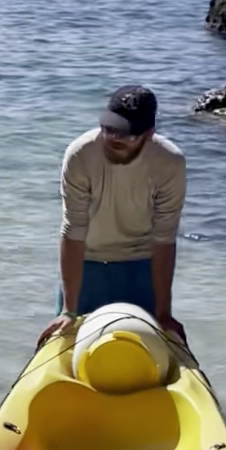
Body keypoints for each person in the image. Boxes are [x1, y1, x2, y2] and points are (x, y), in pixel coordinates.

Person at [39, 84, 186, 344]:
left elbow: (164, 238)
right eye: (109, 130)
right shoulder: (80, 153)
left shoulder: (169, 162)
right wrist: (69, 310)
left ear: (148, 134)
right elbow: (73, 229)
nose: (115, 139)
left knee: (139, 353)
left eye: (127, 135)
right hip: (87, 265)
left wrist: (163, 312)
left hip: (141, 266)